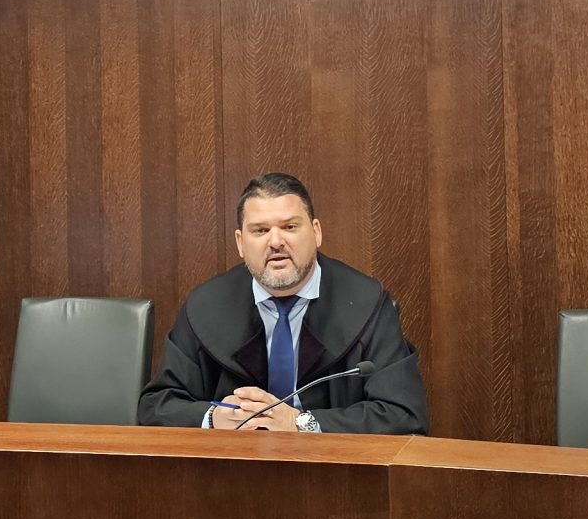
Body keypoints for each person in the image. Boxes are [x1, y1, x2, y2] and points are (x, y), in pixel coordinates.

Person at [138, 172, 427, 434]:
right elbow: (156, 406)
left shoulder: (367, 302)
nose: (276, 242)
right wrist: (214, 418)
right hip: (234, 466)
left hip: (332, 467)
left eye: (289, 226)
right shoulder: (206, 305)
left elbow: (403, 414)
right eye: (260, 231)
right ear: (240, 243)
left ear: (316, 232)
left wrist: (300, 423)